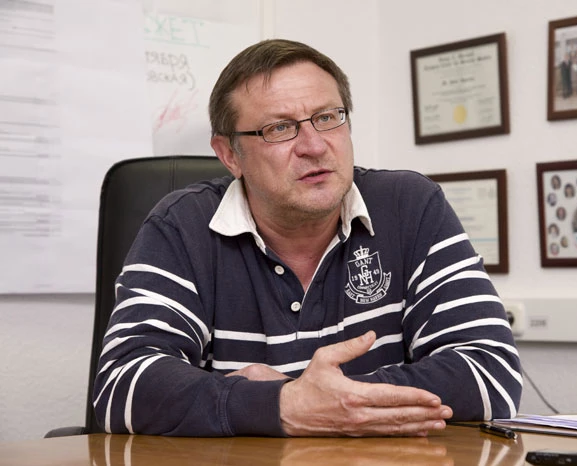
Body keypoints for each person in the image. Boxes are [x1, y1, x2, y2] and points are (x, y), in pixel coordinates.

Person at [92, 39, 522, 438]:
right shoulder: (181, 226)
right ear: (229, 155)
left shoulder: (410, 206)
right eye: (280, 128)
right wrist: (284, 405)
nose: (315, 146)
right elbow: (122, 385)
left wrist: (310, 402)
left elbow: (490, 371)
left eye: (328, 118)